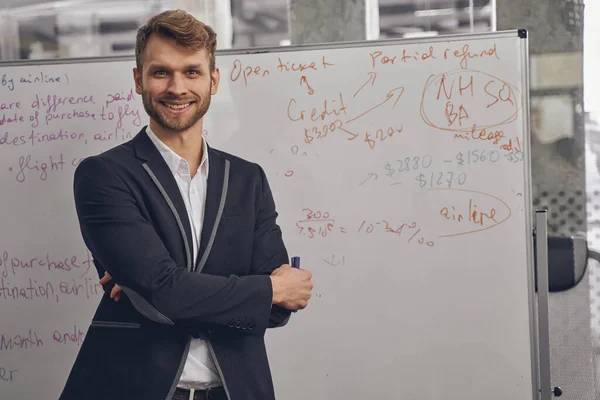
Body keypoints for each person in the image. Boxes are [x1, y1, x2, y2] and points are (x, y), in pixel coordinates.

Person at [59, 9, 313, 400]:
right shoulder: (104, 175)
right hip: (131, 387)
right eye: (161, 72)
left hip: (236, 390)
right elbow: (164, 290)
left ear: (213, 80)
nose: (177, 87)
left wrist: (168, 287)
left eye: (192, 72)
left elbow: (279, 309)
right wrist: (267, 288)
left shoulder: (248, 179)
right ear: (138, 79)